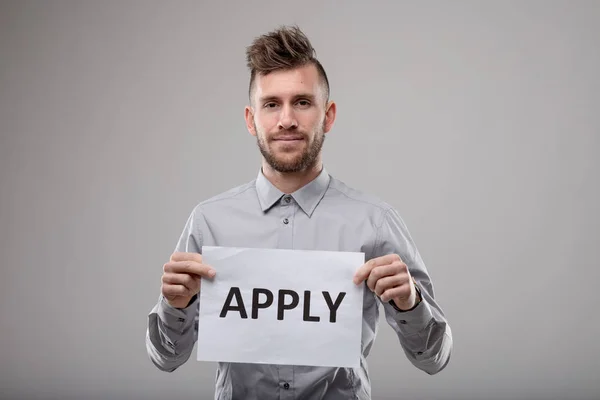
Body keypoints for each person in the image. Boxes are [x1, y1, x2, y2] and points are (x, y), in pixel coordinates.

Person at [145, 25, 452, 400]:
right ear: (250, 119)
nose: (286, 120)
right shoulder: (209, 222)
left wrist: (411, 303)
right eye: (271, 104)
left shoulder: (376, 222)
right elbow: (166, 358)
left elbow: (434, 358)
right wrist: (175, 306)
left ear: (328, 115)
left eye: (303, 102)